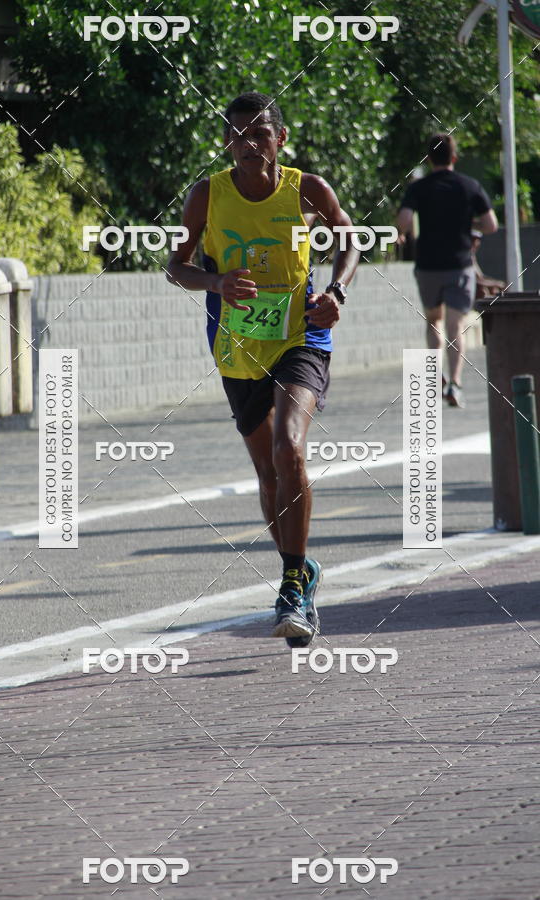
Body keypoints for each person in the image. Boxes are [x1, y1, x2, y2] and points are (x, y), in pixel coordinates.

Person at [166, 91, 359, 645]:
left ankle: (291, 588)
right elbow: (176, 266)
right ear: (226, 140)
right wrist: (216, 282)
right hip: (237, 345)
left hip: (301, 335)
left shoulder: (308, 189)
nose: (248, 144)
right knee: (269, 475)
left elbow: (348, 238)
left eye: (259, 133)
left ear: (280, 138)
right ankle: (302, 569)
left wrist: (338, 292)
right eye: (237, 134)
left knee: (288, 448)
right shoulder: (208, 195)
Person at [397, 133, 498, 408]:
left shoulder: (419, 188)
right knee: (456, 326)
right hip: (459, 266)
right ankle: (455, 383)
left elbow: (404, 220)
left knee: (433, 321)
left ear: (429, 159)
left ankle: (436, 376)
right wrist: (468, 221)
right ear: (454, 157)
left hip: (428, 266)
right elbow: (491, 225)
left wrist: (401, 233)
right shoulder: (470, 186)